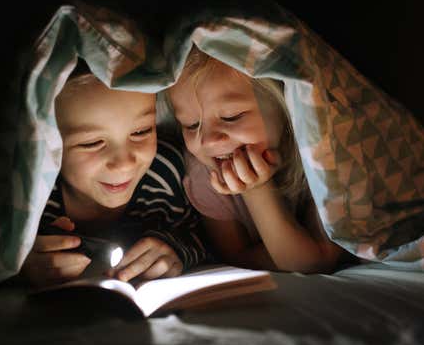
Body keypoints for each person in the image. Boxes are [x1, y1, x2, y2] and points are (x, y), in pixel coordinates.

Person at [20, 61, 207, 288]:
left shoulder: (168, 175)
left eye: (141, 131)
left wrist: (176, 249)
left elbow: (205, 238)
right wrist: (21, 265)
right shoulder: (29, 198)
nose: (124, 163)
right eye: (92, 143)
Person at [164, 47, 345, 273]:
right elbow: (238, 258)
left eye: (231, 117)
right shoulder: (204, 175)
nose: (208, 141)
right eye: (191, 125)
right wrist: (256, 190)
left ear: (285, 107)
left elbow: (318, 260)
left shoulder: (323, 152)